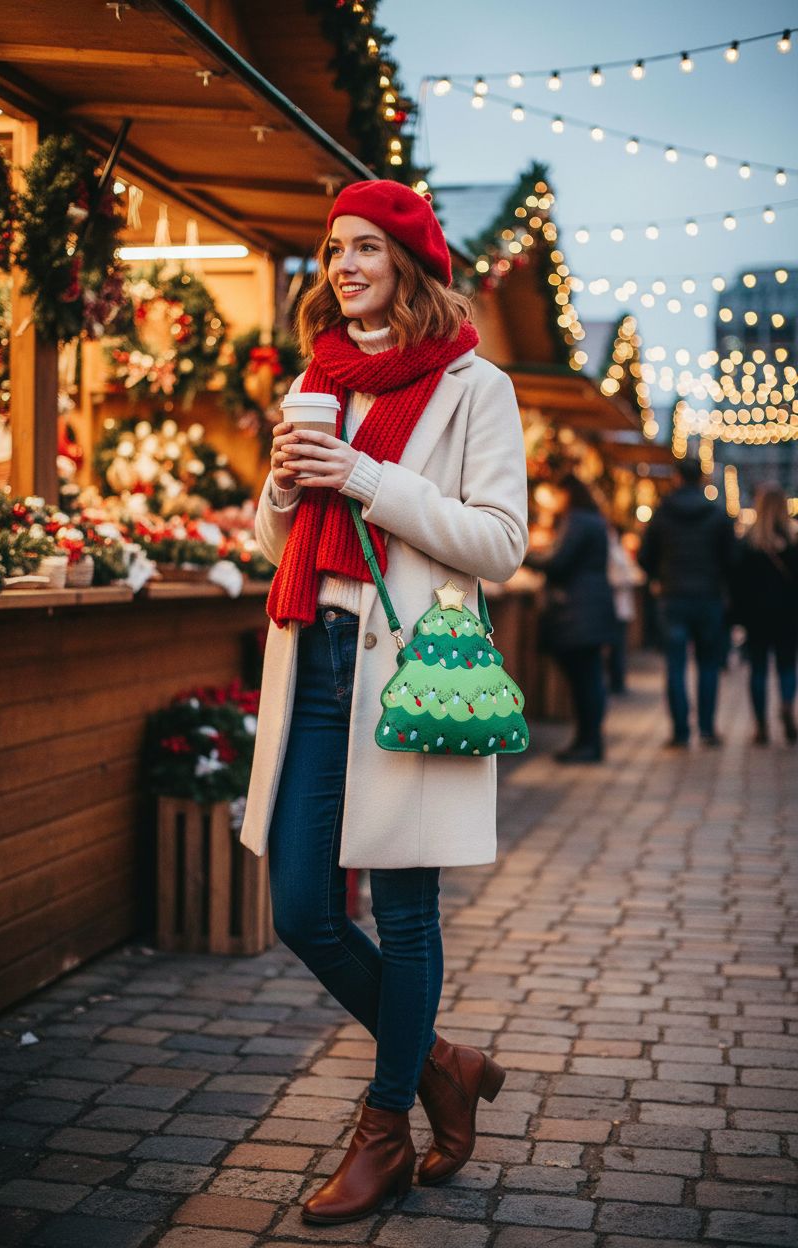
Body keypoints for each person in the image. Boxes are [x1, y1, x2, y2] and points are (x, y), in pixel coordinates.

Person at [240, 180, 528, 1225]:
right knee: (305, 911)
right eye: (332, 249)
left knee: (404, 912)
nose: (343, 265)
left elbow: (500, 540)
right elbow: (278, 545)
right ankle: (443, 1061)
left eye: (365, 247)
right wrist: (281, 482)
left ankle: (383, 1126)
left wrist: (365, 476)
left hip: (406, 670)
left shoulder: (472, 385)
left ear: (409, 262)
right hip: (313, 660)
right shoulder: (319, 378)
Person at [638, 458, 736, 747]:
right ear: (702, 479)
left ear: (677, 477)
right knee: (708, 664)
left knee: (675, 664)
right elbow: (731, 559)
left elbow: (645, 557)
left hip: (673, 597)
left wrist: (659, 576)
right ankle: (706, 728)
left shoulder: (662, 513)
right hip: (708, 598)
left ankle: (680, 730)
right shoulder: (718, 514)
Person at [525, 474, 615, 762]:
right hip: (591, 605)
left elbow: (558, 561)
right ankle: (588, 741)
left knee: (584, 679)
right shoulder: (593, 520)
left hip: (578, 608)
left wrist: (522, 555)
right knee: (588, 677)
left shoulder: (577, 521)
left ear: (568, 494)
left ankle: (588, 743)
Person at [731, 483, 798, 744]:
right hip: (788, 616)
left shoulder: (749, 543)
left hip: (757, 617)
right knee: (786, 666)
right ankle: (786, 705)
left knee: (757, 669)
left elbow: (737, 584)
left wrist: (739, 615)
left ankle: (761, 726)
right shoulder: (793, 543)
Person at [606, 524, 643, 694]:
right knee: (616, 644)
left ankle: (617, 680)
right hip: (616, 604)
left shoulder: (614, 551)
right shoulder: (615, 551)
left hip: (616, 604)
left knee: (617, 644)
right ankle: (617, 679)